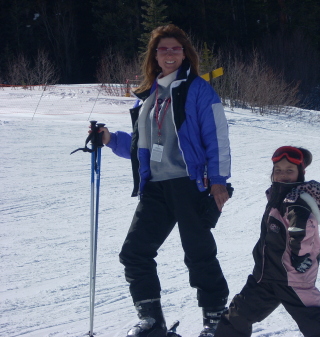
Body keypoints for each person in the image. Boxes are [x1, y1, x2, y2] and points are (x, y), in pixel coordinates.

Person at [92, 24, 231, 337]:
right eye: (164, 49)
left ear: (185, 54)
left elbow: (216, 137)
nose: (170, 54)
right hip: (155, 186)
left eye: (176, 48)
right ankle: (152, 321)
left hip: (189, 183)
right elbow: (143, 145)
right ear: (154, 56)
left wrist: (219, 180)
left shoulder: (198, 89)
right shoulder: (148, 96)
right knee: (134, 252)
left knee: (198, 254)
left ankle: (216, 322)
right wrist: (109, 138)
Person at [215, 146, 320, 337]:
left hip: (292, 278)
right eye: (278, 170)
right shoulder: (279, 195)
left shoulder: (296, 200)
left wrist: (299, 256)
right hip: (264, 276)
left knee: (317, 325)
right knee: (236, 317)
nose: (283, 175)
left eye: (289, 171)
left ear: (300, 173)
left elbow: (302, 230)